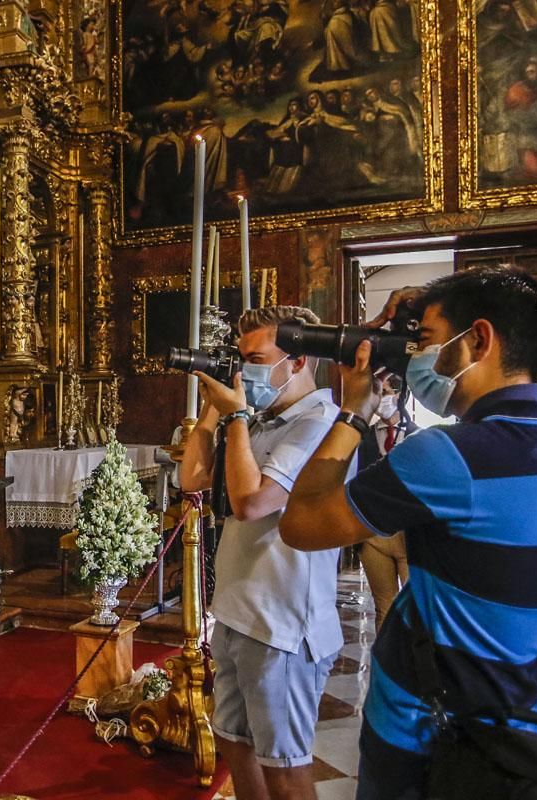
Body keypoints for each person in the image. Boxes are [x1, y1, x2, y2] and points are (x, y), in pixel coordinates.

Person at [280, 265, 537, 799]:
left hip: (422, 733)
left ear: (478, 340)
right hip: (520, 726)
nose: (416, 357)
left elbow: (300, 524)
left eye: (427, 341)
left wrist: (353, 413)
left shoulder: (447, 457)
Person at [181, 306, 345, 800]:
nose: (245, 371)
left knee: (286, 770)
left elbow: (253, 503)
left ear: (297, 363)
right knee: (234, 741)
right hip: (236, 613)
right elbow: (191, 479)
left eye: (256, 360)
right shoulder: (257, 420)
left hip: (282, 625)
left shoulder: (320, 422)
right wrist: (215, 405)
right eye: (241, 359)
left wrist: (233, 415)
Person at [355, 375, 416, 631]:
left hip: (409, 534)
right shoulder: (363, 439)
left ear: (399, 395)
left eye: (385, 392)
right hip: (373, 535)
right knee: (385, 608)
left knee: (416, 609)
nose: (381, 400)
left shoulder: (418, 437)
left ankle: (416, 667)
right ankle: (385, 666)